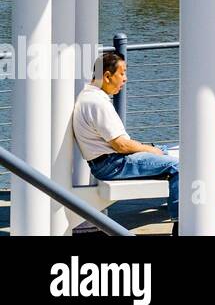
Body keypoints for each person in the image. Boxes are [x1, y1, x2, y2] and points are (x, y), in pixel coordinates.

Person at [72, 50, 180, 234]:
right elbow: (120, 145)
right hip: (113, 163)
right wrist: (148, 149)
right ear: (107, 76)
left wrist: (151, 150)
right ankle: (183, 225)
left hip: (108, 161)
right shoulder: (97, 103)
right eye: (122, 73)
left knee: (171, 151)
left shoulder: (89, 95)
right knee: (179, 166)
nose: (125, 79)